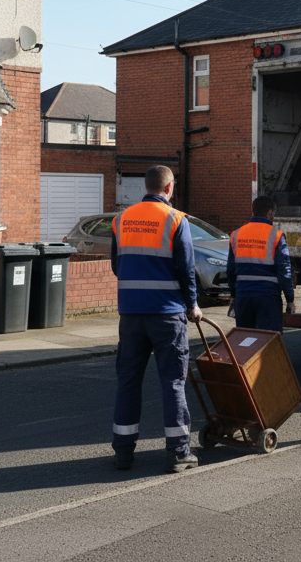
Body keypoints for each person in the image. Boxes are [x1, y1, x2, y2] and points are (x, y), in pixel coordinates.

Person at [110, 165, 201, 473]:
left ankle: (123, 452)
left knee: (128, 381)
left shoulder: (121, 219)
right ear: (169, 188)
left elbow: (117, 266)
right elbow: (186, 269)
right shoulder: (176, 219)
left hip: (131, 314)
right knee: (173, 382)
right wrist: (193, 305)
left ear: (145, 186)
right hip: (167, 314)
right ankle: (178, 453)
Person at [226, 196, 295, 331]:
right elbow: (284, 272)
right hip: (268, 296)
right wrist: (290, 299)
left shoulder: (236, 234)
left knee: (245, 337)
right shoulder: (276, 235)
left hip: (243, 295)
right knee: (269, 338)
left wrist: (234, 295)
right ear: (270, 213)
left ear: (253, 211)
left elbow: (230, 270)